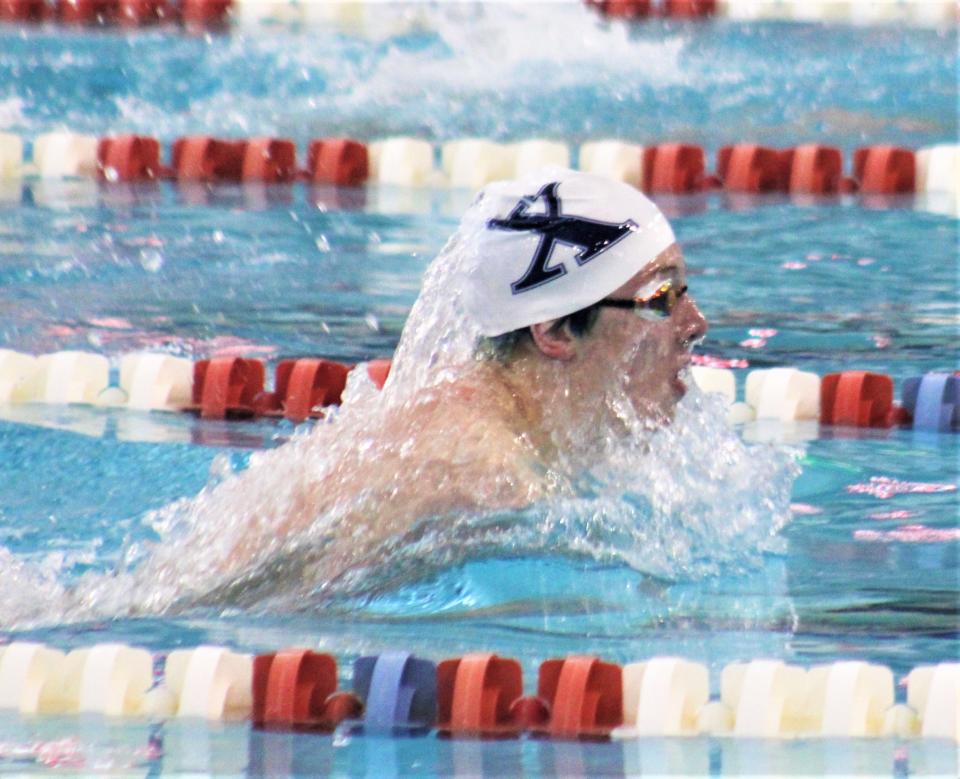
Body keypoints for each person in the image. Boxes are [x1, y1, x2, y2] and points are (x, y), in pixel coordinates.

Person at [70, 169, 710, 616]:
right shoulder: (482, 470)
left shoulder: (505, 431)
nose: (695, 323)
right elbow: (264, 602)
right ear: (552, 330)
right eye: (662, 297)